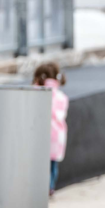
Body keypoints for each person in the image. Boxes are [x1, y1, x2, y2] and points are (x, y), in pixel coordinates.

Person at [33, 63, 69, 196]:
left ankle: (41, 188)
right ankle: (50, 187)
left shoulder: (38, 93)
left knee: (40, 165)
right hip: (57, 136)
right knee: (53, 165)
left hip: (41, 134)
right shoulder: (61, 96)